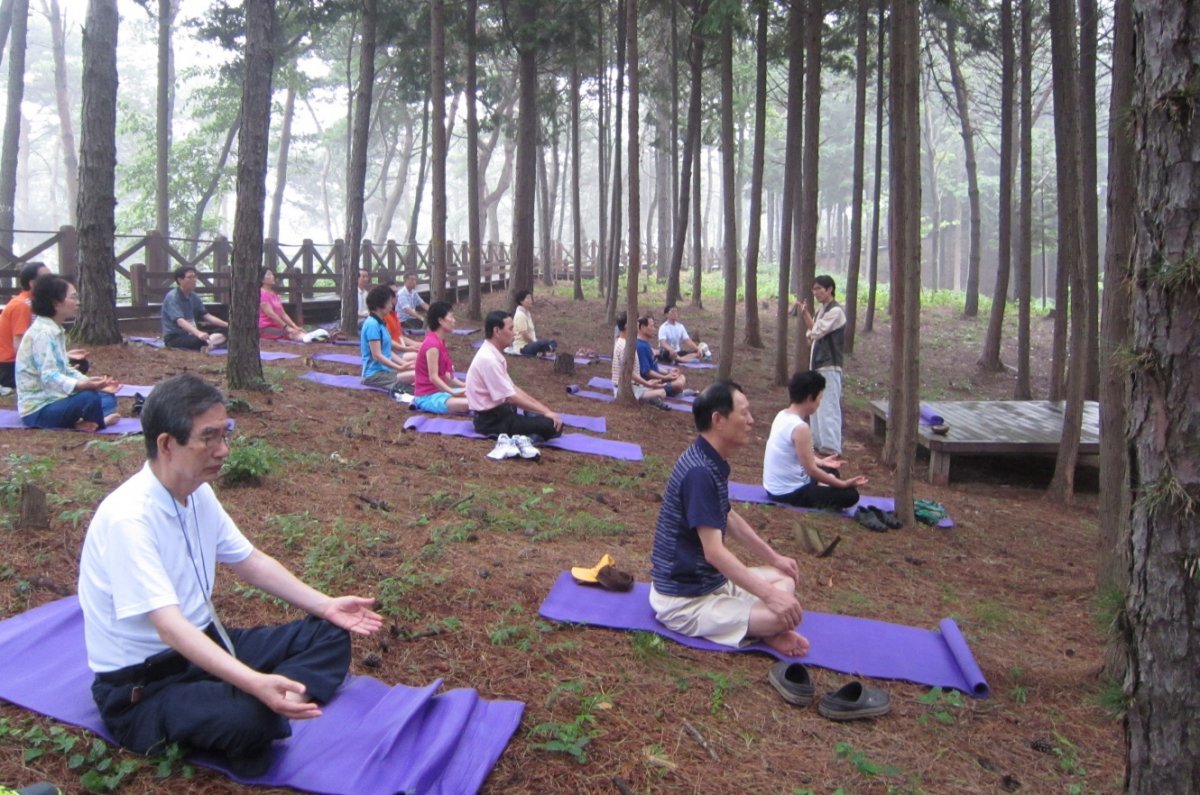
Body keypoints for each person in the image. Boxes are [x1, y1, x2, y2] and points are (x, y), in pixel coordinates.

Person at [78, 373, 383, 776]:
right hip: (145, 688)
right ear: (167, 444)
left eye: (226, 434)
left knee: (327, 632)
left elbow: (250, 561)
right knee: (250, 718)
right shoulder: (128, 519)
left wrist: (326, 604)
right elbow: (170, 628)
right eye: (209, 437)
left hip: (207, 648)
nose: (223, 450)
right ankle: (265, 703)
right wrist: (254, 682)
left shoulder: (197, 491)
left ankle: (277, 697)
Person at [649, 381, 809, 657]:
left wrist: (774, 558)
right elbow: (714, 553)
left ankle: (758, 628)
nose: (751, 421)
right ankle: (765, 629)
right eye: (744, 413)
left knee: (785, 577)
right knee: (779, 614)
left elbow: (729, 517)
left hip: (713, 584)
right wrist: (770, 597)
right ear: (718, 420)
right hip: (684, 600)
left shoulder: (710, 460)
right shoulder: (699, 471)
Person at [15, 275, 121, 431]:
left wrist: (93, 383)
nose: (78, 302)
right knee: (89, 397)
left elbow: (64, 368)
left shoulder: (54, 329)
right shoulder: (43, 334)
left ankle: (80, 420)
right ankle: (99, 422)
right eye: (73, 297)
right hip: (39, 409)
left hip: (56, 398)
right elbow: (49, 376)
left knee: (106, 398)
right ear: (56, 303)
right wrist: (81, 385)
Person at [763, 370, 867, 510]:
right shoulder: (800, 428)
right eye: (819, 398)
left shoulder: (782, 415)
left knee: (830, 469)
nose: (819, 403)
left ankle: (824, 485)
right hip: (787, 492)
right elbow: (811, 470)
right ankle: (824, 488)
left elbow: (801, 454)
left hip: (778, 486)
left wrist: (821, 462)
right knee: (850, 495)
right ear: (809, 397)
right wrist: (843, 484)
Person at [465, 310, 563, 441]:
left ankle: (532, 430)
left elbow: (513, 388)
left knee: (544, 416)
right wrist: (545, 412)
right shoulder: (489, 360)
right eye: (511, 329)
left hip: (502, 413)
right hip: (492, 422)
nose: (515, 333)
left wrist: (544, 410)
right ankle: (531, 435)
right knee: (552, 426)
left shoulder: (492, 353)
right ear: (497, 331)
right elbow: (511, 397)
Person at [797, 274, 846, 456]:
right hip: (817, 366)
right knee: (816, 407)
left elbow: (816, 331)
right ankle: (818, 444)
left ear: (829, 289)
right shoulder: (822, 311)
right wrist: (808, 318)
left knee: (828, 406)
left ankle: (831, 447)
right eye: (814, 289)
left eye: (819, 288)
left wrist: (806, 315)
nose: (815, 292)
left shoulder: (836, 311)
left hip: (830, 366)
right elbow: (811, 334)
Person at [0, 261, 50, 394]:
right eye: (46, 278)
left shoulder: (32, 303)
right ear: (32, 283)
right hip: (10, 365)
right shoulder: (22, 305)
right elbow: (19, 344)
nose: (52, 281)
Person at [412, 301, 469, 414]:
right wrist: (453, 392)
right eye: (451, 317)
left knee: (478, 395)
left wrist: (465, 385)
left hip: (440, 392)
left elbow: (446, 374)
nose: (454, 320)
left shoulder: (439, 340)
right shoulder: (432, 345)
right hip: (427, 397)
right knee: (471, 403)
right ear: (440, 320)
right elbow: (433, 377)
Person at [360, 284, 415, 390]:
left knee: (419, 372)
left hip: (386, 370)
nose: (391, 305)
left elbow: (387, 351)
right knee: (417, 375)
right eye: (389, 302)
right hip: (374, 375)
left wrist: (404, 364)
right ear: (380, 304)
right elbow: (377, 355)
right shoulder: (372, 324)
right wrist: (399, 367)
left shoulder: (381, 322)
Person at [162, 266, 228, 351]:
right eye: (190, 277)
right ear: (180, 280)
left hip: (191, 334)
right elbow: (180, 321)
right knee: (199, 340)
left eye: (195, 277)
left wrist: (227, 325)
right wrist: (198, 333)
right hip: (175, 337)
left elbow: (206, 315)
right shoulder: (172, 297)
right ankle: (212, 343)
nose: (194, 280)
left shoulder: (194, 296)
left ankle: (210, 344)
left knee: (226, 331)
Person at [612, 313, 670, 408]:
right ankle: (647, 400)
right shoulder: (623, 346)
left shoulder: (626, 342)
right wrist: (646, 383)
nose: (637, 327)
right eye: (635, 323)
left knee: (659, 387)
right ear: (627, 325)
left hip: (634, 385)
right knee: (662, 392)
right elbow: (629, 373)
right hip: (625, 389)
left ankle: (648, 398)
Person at [257, 269, 329, 342]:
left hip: (277, 326)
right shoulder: (261, 294)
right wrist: (287, 328)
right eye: (269, 274)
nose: (273, 276)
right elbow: (271, 314)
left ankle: (312, 337)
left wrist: (295, 326)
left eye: (272, 274)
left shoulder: (274, 294)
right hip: (265, 328)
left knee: (295, 331)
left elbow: (283, 314)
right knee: (290, 333)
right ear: (262, 280)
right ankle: (309, 338)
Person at [636, 315, 687, 396]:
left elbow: (654, 366)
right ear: (642, 327)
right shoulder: (640, 347)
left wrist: (668, 372)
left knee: (681, 377)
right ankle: (674, 391)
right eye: (651, 326)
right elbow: (647, 372)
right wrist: (665, 378)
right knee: (679, 384)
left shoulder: (646, 344)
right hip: (651, 383)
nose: (654, 329)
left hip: (658, 379)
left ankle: (675, 391)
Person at [511, 289, 557, 357]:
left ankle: (544, 351)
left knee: (553, 342)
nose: (531, 301)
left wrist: (536, 342)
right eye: (528, 298)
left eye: (531, 298)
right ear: (521, 301)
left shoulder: (527, 313)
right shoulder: (520, 315)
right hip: (523, 347)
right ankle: (544, 351)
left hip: (532, 343)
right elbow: (524, 335)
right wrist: (535, 342)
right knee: (542, 343)